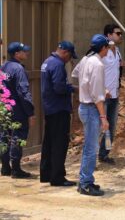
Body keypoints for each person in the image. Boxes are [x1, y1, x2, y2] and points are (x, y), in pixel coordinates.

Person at [72, 34, 110, 196]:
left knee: (90, 146)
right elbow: (96, 95)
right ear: (103, 48)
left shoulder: (85, 59)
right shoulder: (97, 64)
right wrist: (103, 117)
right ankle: (85, 183)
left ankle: (86, 180)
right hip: (92, 109)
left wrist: (90, 89)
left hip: (84, 106)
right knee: (91, 148)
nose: (109, 49)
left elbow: (75, 74)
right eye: (108, 46)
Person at [40, 41, 78, 186]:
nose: (69, 60)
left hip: (50, 108)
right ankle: (57, 177)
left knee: (48, 142)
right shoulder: (57, 65)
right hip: (59, 109)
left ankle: (46, 174)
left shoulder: (47, 62)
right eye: (70, 57)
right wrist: (72, 89)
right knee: (59, 144)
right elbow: (59, 88)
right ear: (66, 53)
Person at [0, 42, 35, 178]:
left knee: (4, 137)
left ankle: (5, 168)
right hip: (18, 110)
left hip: (5, 109)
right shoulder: (18, 69)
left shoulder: (3, 67)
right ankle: (16, 169)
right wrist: (30, 112)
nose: (26, 53)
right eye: (23, 51)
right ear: (16, 54)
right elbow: (23, 92)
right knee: (18, 138)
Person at [98, 24, 125, 165]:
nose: (120, 36)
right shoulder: (102, 51)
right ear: (109, 35)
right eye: (118, 33)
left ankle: (104, 154)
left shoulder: (118, 51)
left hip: (114, 94)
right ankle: (91, 155)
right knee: (99, 127)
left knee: (111, 127)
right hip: (103, 96)